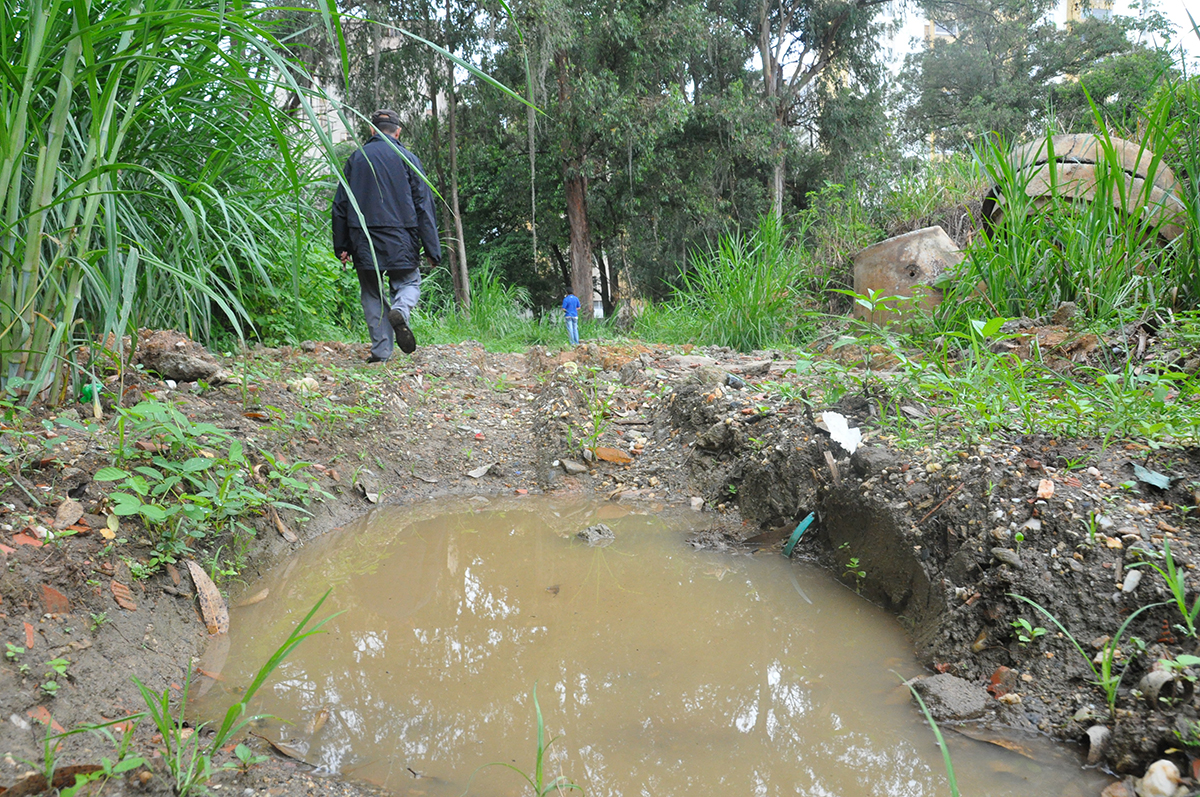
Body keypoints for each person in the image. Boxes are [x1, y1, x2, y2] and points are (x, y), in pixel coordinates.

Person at [332, 109, 441, 363]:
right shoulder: (408, 158)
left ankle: (381, 352)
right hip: (401, 237)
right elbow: (424, 205)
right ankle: (400, 310)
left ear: (372, 130)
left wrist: (342, 246)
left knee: (371, 292)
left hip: (364, 239)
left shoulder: (356, 159)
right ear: (398, 131)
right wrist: (432, 250)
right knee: (409, 283)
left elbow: (340, 205)